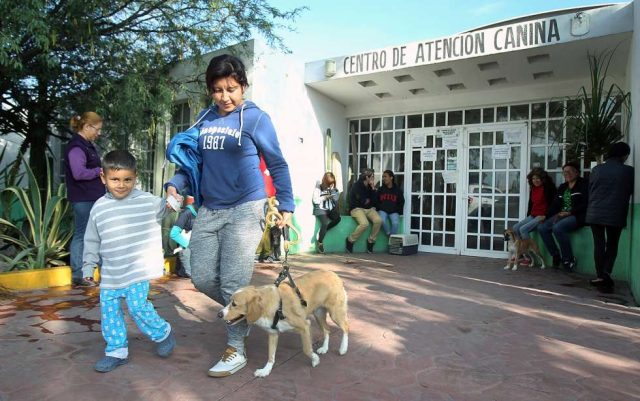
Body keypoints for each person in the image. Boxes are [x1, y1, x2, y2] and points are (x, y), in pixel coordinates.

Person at [164, 54, 294, 378]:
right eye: (218, 90)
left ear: (243, 86)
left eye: (231, 89)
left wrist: (287, 206)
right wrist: (174, 186)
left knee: (234, 280)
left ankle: (236, 347)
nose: (225, 97)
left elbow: (277, 163)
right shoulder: (205, 119)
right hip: (210, 208)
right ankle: (252, 307)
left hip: (247, 207)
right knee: (202, 276)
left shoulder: (256, 119)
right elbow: (189, 164)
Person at [83, 150, 176, 373]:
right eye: (115, 179)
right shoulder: (99, 207)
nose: (121, 185)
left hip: (137, 270)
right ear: (103, 178)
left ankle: (162, 332)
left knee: (137, 307)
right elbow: (91, 239)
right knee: (110, 312)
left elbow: (169, 206)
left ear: (135, 177)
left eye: (128, 179)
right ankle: (116, 351)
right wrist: (88, 266)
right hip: (112, 273)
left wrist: (173, 199)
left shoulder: (148, 202)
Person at [586, 142, 634, 293]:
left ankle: (600, 275)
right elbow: (629, 190)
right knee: (612, 244)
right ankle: (606, 274)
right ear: (624, 155)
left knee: (598, 244)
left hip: (595, 212)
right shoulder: (628, 171)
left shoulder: (596, 169)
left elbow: (591, 189)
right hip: (616, 213)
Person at [65, 112, 105, 287]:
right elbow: (78, 172)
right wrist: (100, 171)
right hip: (83, 199)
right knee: (82, 235)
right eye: (97, 129)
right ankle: (79, 274)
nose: (98, 133)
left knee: (97, 235)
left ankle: (98, 272)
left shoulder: (87, 145)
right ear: (87, 126)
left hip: (93, 197)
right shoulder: (76, 147)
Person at [537, 161, 588, 272]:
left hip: (577, 215)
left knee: (558, 228)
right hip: (562, 214)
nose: (567, 174)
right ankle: (556, 255)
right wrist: (546, 216)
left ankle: (568, 259)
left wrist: (570, 212)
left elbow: (586, 203)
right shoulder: (563, 187)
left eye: (570, 171)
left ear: (577, 172)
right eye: (565, 172)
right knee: (542, 227)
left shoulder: (584, 184)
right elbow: (555, 205)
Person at [511, 168, 556, 264]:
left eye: (538, 178)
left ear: (543, 179)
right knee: (515, 228)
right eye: (533, 178)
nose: (535, 180)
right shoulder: (533, 189)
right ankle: (522, 255)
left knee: (523, 229)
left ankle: (529, 257)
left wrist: (546, 215)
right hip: (533, 215)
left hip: (542, 216)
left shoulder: (548, 189)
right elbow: (531, 204)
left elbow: (553, 204)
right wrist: (528, 216)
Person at [346, 168, 382, 253]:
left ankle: (371, 241)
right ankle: (350, 240)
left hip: (368, 209)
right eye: (372, 176)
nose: (373, 178)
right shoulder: (356, 186)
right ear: (367, 177)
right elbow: (364, 201)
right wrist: (369, 201)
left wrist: (373, 187)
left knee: (378, 220)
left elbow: (374, 200)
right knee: (364, 224)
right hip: (356, 208)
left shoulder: (370, 186)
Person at [312, 172, 341, 254]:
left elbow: (336, 199)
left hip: (329, 209)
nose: (331, 185)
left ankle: (324, 230)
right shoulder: (318, 188)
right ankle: (320, 242)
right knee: (324, 223)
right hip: (320, 209)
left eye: (332, 183)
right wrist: (325, 197)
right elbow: (315, 200)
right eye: (329, 184)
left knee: (338, 219)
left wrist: (333, 192)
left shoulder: (333, 189)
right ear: (325, 182)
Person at [170, 195, 198, 278]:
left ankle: (183, 271)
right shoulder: (187, 213)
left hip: (195, 245)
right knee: (192, 275)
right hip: (185, 246)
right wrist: (189, 245)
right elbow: (173, 234)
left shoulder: (205, 213)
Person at [376, 170, 405, 236]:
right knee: (381, 220)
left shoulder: (397, 190)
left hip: (394, 211)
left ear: (391, 177)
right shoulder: (381, 189)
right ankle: (389, 234)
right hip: (383, 210)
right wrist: (379, 208)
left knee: (395, 223)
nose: (384, 178)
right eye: (383, 177)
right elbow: (376, 200)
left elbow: (402, 201)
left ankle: (392, 239)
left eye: (385, 176)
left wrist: (398, 210)